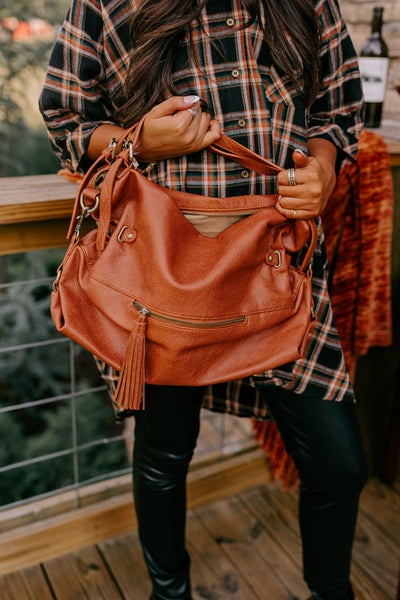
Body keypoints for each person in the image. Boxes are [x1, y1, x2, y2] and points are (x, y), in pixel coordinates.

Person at [39, 1, 369, 599]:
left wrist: (321, 172)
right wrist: (140, 142)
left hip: (281, 266)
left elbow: (336, 111)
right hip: (160, 277)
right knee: (164, 455)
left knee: (340, 464)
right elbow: (67, 121)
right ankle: (171, 594)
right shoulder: (106, 3)